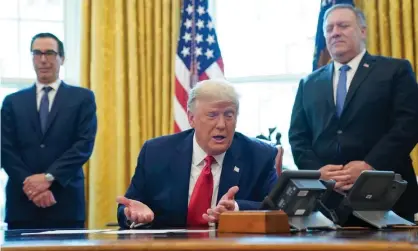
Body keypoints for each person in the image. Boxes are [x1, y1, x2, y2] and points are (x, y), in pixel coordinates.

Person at [288, 4, 418, 221]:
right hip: (328, 202)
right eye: (329, 29)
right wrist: (319, 171)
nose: (335, 32)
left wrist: (370, 166)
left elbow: (409, 124)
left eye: (343, 25)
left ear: (363, 31)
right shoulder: (308, 83)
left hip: (388, 198)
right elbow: (298, 137)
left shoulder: (395, 70)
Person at [117, 79, 281, 228]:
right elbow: (129, 205)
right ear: (191, 118)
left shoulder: (259, 155)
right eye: (212, 115)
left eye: (229, 115)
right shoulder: (156, 152)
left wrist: (237, 208)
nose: (222, 125)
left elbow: (278, 208)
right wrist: (133, 215)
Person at [1, 33, 97, 229]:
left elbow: (83, 145)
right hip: (22, 203)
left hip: (65, 201)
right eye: (37, 53)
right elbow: (5, 149)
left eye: (50, 53)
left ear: (62, 58)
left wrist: (48, 178)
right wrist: (32, 187)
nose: (43, 59)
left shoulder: (82, 98)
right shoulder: (12, 101)